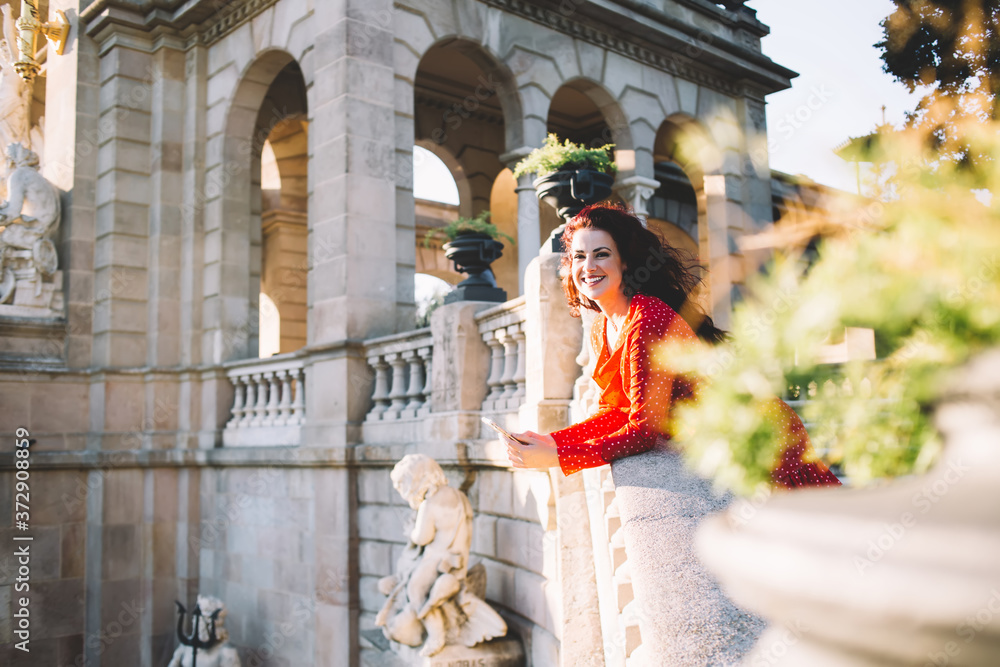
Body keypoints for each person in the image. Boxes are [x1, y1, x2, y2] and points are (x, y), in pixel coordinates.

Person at [504, 203, 840, 488]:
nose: (588, 267)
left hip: (759, 437)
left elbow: (643, 431)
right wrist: (553, 440)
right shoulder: (604, 327)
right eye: (579, 256)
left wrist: (560, 457)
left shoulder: (646, 318)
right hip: (724, 441)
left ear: (625, 262)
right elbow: (617, 411)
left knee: (816, 541)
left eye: (601, 254)